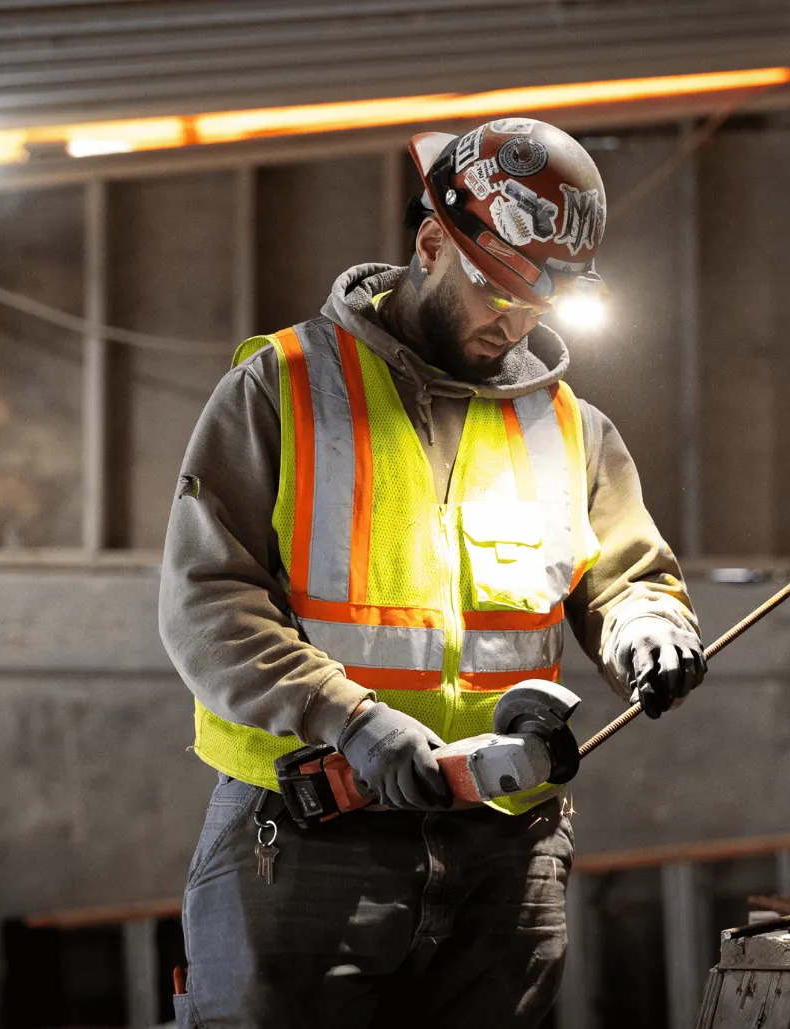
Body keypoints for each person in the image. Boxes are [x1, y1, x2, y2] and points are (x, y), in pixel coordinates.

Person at [159, 116, 705, 1028]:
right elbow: (207, 603)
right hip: (310, 840)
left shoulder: (569, 426)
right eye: (499, 292)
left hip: (509, 851)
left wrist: (648, 628)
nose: (518, 322)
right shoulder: (282, 390)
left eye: (541, 305)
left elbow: (627, 576)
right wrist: (353, 721)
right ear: (428, 243)